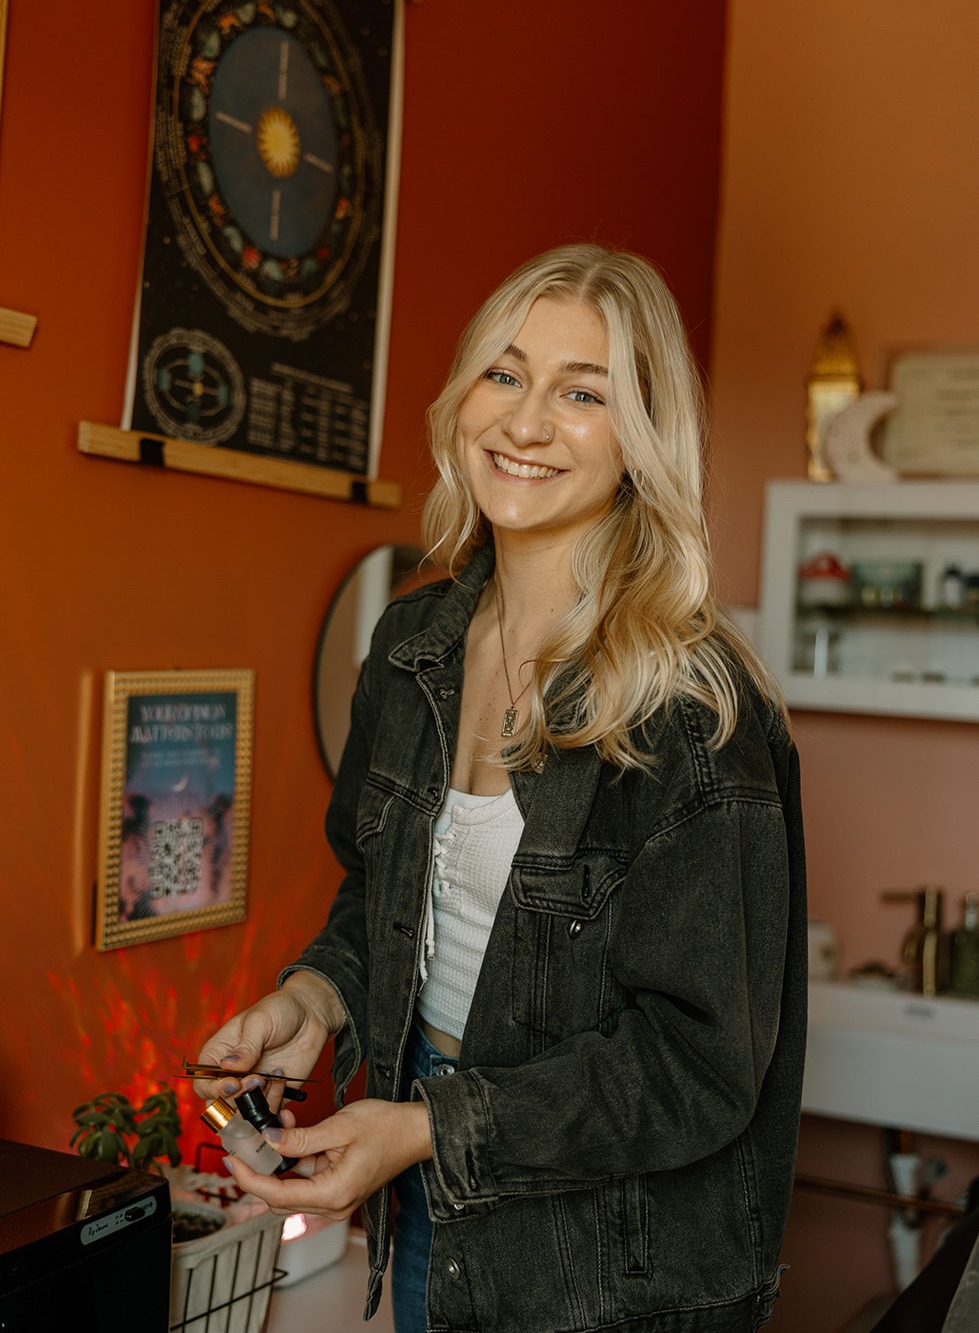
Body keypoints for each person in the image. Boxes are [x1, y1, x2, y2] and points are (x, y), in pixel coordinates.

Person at [195, 242, 807, 1333]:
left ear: (641, 438)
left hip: (614, 1267)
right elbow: (379, 891)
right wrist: (315, 1000)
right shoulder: (410, 648)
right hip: (429, 1207)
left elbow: (700, 1067)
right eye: (505, 374)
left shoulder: (687, 709)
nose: (526, 423)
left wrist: (430, 1126)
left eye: (582, 393)